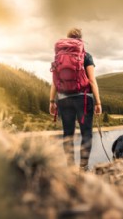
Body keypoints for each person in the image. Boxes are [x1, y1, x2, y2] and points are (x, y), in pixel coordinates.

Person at [49, 28, 102, 171]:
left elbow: (54, 81)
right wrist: (98, 102)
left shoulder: (58, 57)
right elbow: (92, 81)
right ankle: (83, 168)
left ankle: (70, 168)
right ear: (80, 39)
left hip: (63, 100)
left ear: (67, 39)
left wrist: (52, 101)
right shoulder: (86, 56)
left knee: (68, 135)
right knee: (86, 134)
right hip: (83, 100)